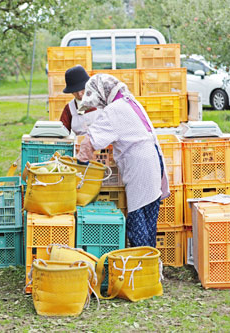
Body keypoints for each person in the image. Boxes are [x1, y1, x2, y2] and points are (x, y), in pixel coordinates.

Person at [76, 74, 170, 248]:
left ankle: (140, 264)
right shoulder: (129, 101)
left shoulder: (115, 110)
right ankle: (149, 264)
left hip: (140, 166)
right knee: (148, 219)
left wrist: (79, 169)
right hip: (152, 161)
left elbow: (89, 142)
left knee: (137, 221)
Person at [59, 65, 101, 136]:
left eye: (82, 89)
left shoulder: (101, 101)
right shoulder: (69, 108)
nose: (79, 94)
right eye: (75, 91)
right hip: (80, 145)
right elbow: (62, 133)